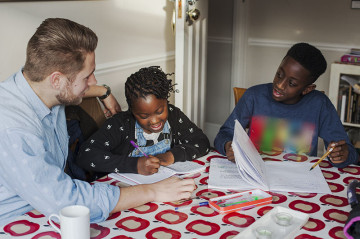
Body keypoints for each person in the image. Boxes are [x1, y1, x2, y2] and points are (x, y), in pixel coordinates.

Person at [0, 18, 195, 226]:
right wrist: (152, 191)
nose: (93, 81)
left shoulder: (39, 87)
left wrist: (104, 92)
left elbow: (65, 88)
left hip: (43, 208)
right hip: (17, 223)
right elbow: (67, 202)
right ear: (56, 80)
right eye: (87, 76)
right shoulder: (13, 129)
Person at [214, 42, 359, 168]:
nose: (279, 85)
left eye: (292, 83)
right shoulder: (254, 96)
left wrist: (341, 155)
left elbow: (348, 152)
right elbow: (224, 134)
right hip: (256, 175)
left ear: (307, 89)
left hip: (299, 182)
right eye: (279, 74)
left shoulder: (319, 104)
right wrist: (228, 145)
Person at [76, 66, 210, 175]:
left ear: (166, 101)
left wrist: (171, 156)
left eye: (160, 111)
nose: (154, 121)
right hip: (129, 189)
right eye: (144, 116)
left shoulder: (173, 115)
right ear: (132, 111)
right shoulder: (120, 125)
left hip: (165, 184)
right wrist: (135, 165)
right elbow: (85, 155)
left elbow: (201, 142)